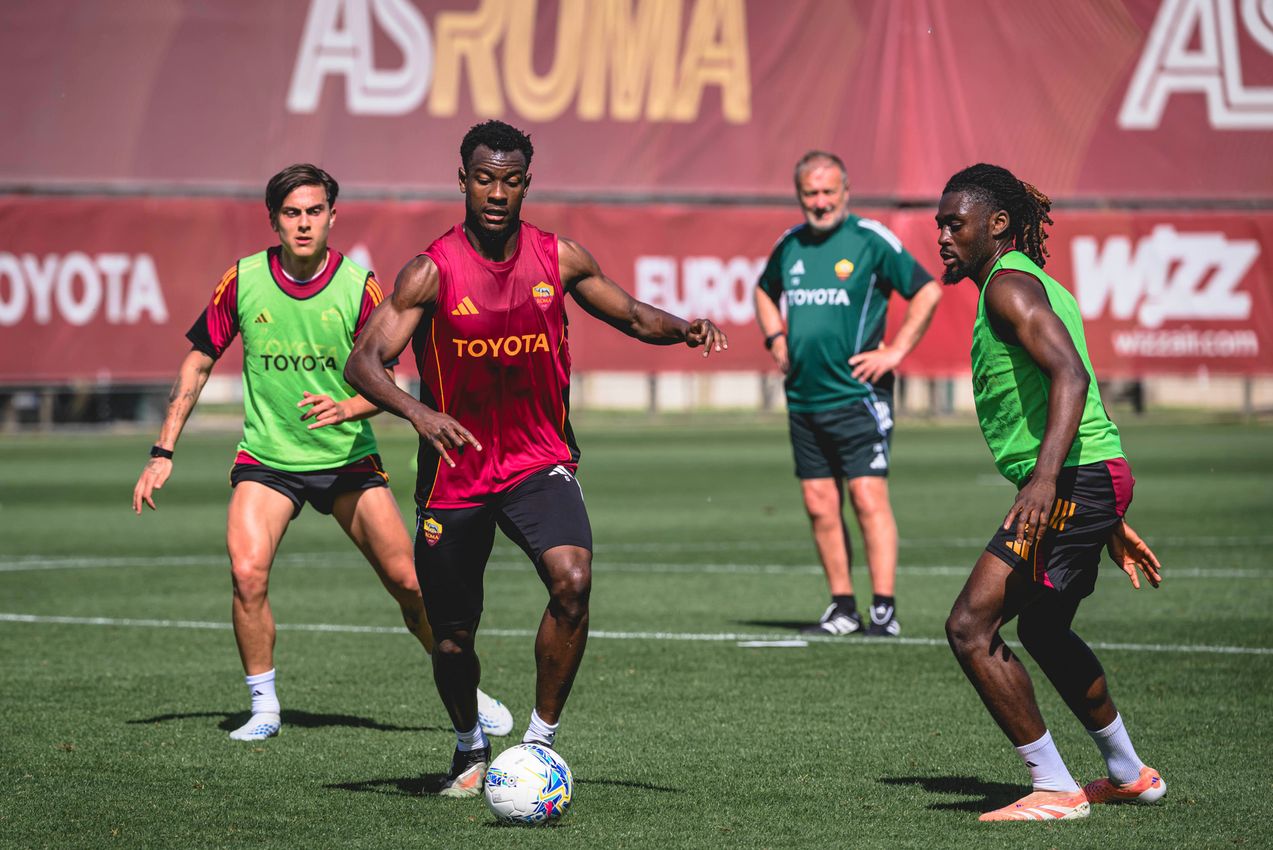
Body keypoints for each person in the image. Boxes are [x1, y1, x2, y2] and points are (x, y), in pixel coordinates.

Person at [344, 120, 727, 798]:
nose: (498, 192)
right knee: (454, 637)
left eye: (511, 180)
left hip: (536, 460)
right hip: (455, 472)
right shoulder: (430, 271)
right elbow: (363, 362)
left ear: (527, 183)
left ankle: (537, 745)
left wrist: (684, 328)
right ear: (462, 180)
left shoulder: (560, 258)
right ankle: (468, 743)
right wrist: (420, 413)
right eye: (485, 179)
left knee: (572, 581)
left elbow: (633, 314)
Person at [131, 164, 512, 743]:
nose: (303, 223)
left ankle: (469, 690)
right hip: (268, 459)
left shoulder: (361, 286)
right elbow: (199, 361)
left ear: (333, 217)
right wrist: (163, 450)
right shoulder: (243, 279)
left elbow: (390, 381)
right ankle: (263, 707)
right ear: (274, 221)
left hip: (347, 462)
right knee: (246, 573)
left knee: (411, 586)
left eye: (314, 212)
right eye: (292, 213)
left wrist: (348, 408)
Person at [936, 163, 1166, 821]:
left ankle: (1053, 788)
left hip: (1070, 478)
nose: (943, 237)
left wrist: (1047, 484)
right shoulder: (1027, 284)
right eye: (939, 226)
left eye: (955, 224)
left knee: (969, 625)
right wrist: (1106, 513)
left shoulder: (1008, 286)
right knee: (1040, 627)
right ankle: (1128, 774)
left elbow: (1068, 376)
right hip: (1087, 477)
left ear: (997, 223)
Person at [754, 151, 943, 638]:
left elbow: (927, 290)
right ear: (799, 196)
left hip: (859, 396)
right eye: (810, 194)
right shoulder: (790, 245)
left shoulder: (869, 239)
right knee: (819, 502)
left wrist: (897, 350)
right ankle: (842, 608)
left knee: (866, 497)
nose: (819, 202)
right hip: (804, 398)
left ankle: (883, 609)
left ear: (845, 190)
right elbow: (762, 290)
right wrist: (775, 338)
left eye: (827, 192)